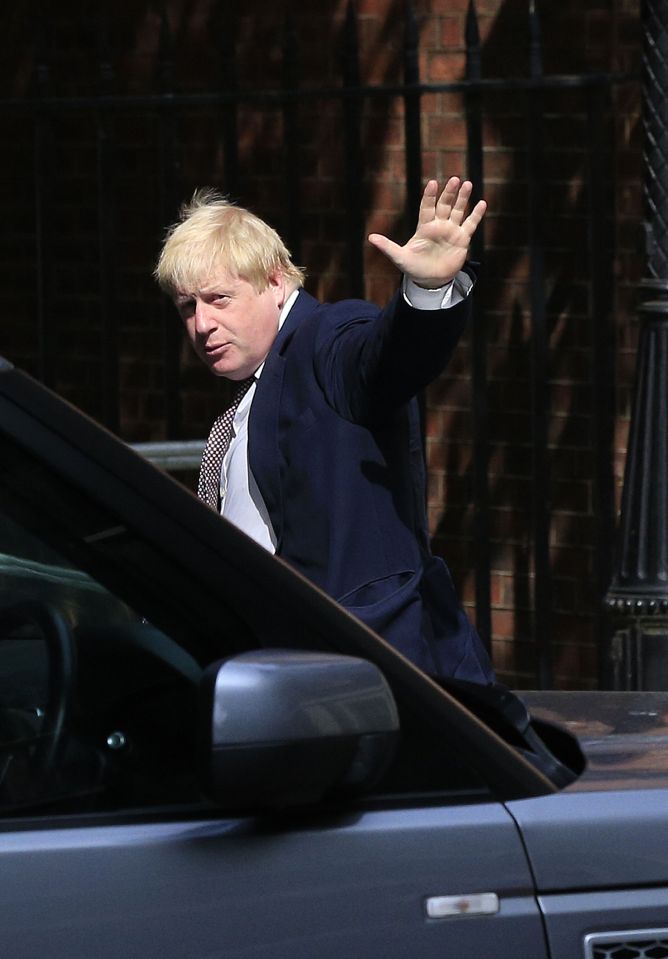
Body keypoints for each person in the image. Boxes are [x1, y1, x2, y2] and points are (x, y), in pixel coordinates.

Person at [154, 177, 494, 684]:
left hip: (378, 674)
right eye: (188, 307)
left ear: (274, 282)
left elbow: (387, 360)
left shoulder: (324, 339)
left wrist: (426, 289)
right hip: (291, 678)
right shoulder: (251, 391)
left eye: (218, 298)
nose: (201, 324)